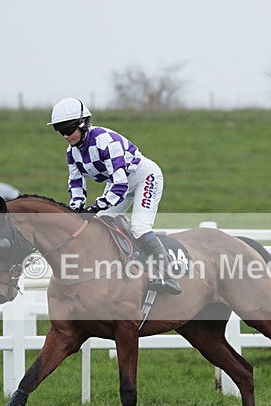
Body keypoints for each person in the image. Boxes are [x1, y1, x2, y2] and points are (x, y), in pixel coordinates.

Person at [48, 97, 181, 295]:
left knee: (140, 227)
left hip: (144, 177)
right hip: (120, 183)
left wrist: (95, 206)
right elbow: (76, 183)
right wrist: (76, 208)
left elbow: (119, 184)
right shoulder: (72, 152)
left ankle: (168, 276)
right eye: (60, 131)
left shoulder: (105, 141)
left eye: (68, 129)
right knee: (100, 225)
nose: (66, 136)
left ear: (83, 124)